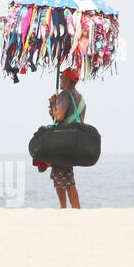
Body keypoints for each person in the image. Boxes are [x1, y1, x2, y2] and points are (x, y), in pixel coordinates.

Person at [48, 68, 85, 209]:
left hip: (64, 141)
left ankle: (71, 208)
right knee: (61, 175)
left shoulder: (64, 95)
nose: (61, 80)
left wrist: (53, 103)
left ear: (69, 81)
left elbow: (59, 117)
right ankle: (65, 208)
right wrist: (54, 107)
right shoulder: (80, 97)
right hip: (75, 141)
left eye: (63, 77)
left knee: (66, 179)